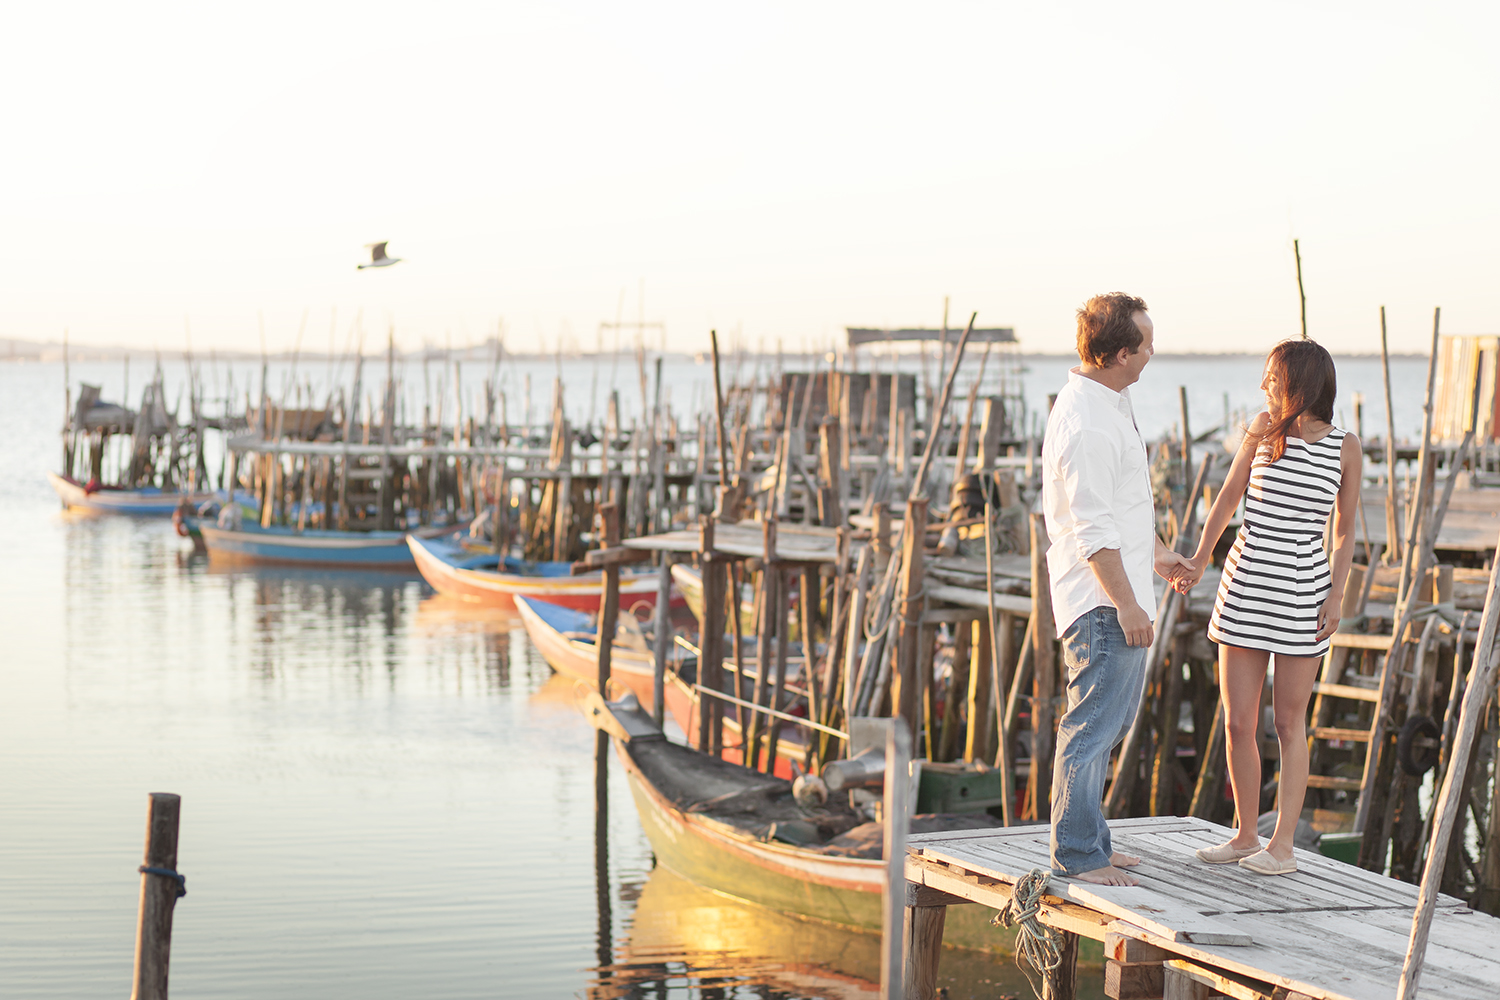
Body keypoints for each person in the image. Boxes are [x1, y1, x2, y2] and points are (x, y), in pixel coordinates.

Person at [1171, 339, 1361, 876]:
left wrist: (1336, 594)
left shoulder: (1346, 446)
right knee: (1237, 724)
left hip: (1304, 592)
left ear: (1300, 383)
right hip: (1246, 584)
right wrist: (1198, 557)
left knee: (1289, 722)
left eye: (1272, 378)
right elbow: (1228, 498)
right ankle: (1245, 834)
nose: (1263, 387)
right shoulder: (1262, 428)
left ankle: (1282, 848)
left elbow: (1344, 531)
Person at [1043, 292, 1189, 886]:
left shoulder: (1111, 400)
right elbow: (1092, 529)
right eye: (1146, 343)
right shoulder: (1086, 421)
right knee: (1091, 725)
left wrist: (1157, 553)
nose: (1153, 352)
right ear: (1121, 351)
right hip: (1102, 601)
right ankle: (1077, 855)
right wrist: (1127, 603)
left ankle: (1092, 841)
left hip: (1120, 590)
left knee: (1107, 724)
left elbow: (1125, 502)